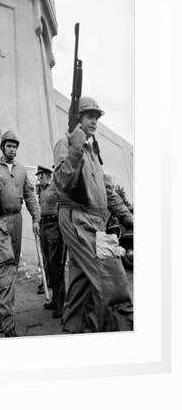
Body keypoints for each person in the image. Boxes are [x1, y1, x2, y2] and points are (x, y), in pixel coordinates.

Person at [53, 96, 134, 333]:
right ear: (76, 118)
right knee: (114, 280)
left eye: (97, 118)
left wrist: (128, 217)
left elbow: (107, 191)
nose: (95, 122)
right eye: (90, 116)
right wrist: (75, 148)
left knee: (81, 289)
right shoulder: (65, 145)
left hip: (94, 223)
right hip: (79, 219)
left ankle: (75, 334)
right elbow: (62, 182)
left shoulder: (92, 152)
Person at [0, 131, 41, 337]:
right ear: (2, 147)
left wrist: (36, 218)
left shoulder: (21, 169)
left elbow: (30, 194)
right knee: (5, 268)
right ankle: (7, 321)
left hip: (17, 221)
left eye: (15, 146)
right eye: (9, 145)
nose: (12, 149)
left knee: (10, 269)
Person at [36, 165, 65, 319]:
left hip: (54, 226)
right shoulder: (41, 189)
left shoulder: (55, 186)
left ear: (46, 175)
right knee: (48, 263)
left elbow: (64, 204)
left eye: (39, 175)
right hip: (43, 225)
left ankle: (61, 304)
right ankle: (55, 300)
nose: (38, 178)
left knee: (56, 266)